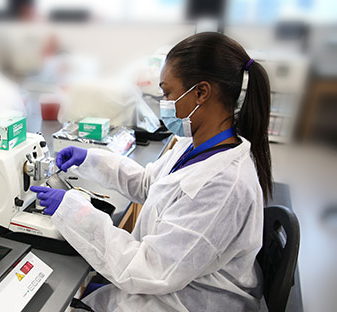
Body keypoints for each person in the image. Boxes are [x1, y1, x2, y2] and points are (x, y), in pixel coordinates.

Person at [31, 32, 272, 311]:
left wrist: (72, 211)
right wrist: (91, 159)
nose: (164, 102)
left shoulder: (225, 185)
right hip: (172, 282)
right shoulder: (197, 144)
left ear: (201, 93)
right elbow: (150, 183)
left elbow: (151, 271)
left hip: (187, 301)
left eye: (168, 93)